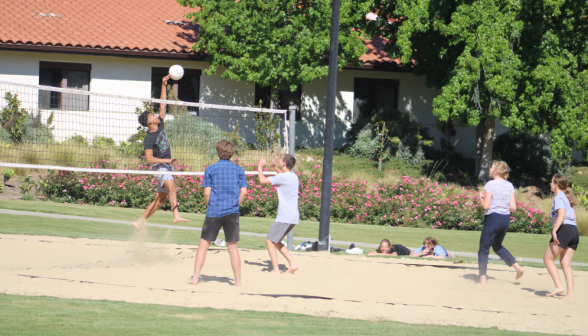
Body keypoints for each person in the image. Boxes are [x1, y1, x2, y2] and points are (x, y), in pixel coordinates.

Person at [188, 140, 248, 286]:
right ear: (232, 153)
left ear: (217, 152)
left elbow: (207, 194)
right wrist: (236, 205)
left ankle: (195, 278)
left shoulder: (210, 169)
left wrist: (211, 206)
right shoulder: (238, 170)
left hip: (214, 210)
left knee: (203, 244)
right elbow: (244, 192)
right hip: (232, 211)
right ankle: (238, 282)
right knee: (232, 247)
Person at [133, 75, 187, 229]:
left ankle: (139, 221)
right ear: (150, 122)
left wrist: (164, 84)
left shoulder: (160, 125)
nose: (156, 115)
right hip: (160, 168)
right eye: (153, 115)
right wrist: (168, 161)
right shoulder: (149, 137)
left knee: (160, 200)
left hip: (166, 166)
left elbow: (163, 105)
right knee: (172, 185)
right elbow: (149, 159)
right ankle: (176, 215)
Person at [478, 161, 524, 285]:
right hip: (505, 219)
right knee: (497, 246)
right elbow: (513, 207)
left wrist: (480, 197)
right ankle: (518, 268)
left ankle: (482, 280)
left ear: (496, 171)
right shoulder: (509, 185)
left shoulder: (490, 184)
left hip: (493, 217)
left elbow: (485, 206)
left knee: (483, 248)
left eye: (491, 166)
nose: (489, 168)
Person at [257, 155, 299, 274]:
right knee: (276, 241)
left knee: (269, 241)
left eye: (280, 160)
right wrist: (275, 168)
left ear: (284, 163)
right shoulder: (293, 176)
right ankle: (293, 264)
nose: (278, 160)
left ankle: (275, 269)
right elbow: (282, 176)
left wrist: (260, 168)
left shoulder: (283, 177)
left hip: (285, 216)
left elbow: (262, 181)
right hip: (293, 216)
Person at [544, 174, 579, 298]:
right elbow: (573, 217)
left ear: (556, 184)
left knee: (547, 259)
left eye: (551, 181)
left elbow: (562, 215)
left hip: (564, 230)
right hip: (574, 231)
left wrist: (554, 230)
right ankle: (570, 294)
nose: (550, 183)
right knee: (566, 264)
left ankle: (559, 286)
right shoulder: (567, 198)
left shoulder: (559, 197)